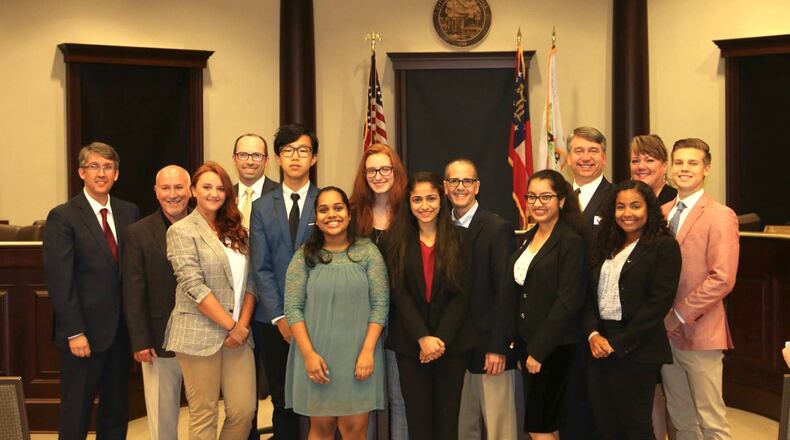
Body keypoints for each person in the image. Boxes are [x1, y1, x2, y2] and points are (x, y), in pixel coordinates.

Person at [43, 141, 140, 440]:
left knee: (116, 413)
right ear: (81, 172)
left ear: (117, 174)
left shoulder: (129, 212)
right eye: (95, 166)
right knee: (76, 414)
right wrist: (74, 332)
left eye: (108, 167)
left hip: (121, 334)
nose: (101, 173)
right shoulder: (64, 216)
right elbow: (61, 281)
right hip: (83, 336)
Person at [284, 187, 389, 439]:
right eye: (324, 209)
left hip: (359, 357)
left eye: (338, 208)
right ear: (317, 219)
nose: (332, 214)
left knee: (355, 430)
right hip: (316, 357)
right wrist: (308, 354)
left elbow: (381, 303)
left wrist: (367, 351)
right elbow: (293, 308)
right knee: (321, 429)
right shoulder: (304, 257)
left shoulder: (367, 252)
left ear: (349, 214)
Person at [164, 162, 257, 440]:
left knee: (243, 412)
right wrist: (231, 326)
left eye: (220, 188)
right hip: (198, 333)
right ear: (193, 191)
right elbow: (193, 285)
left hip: (239, 334)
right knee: (204, 414)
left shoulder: (238, 231)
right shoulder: (181, 231)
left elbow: (252, 284)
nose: (214, 193)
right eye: (206, 187)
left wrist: (241, 326)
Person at [584, 180, 681, 439]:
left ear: (649, 209)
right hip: (598, 346)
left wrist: (617, 343)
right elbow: (588, 296)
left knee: (635, 426)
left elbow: (659, 303)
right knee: (604, 423)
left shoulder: (664, 246)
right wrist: (593, 334)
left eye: (635, 206)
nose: (627, 213)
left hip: (638, 349)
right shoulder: (606, 245)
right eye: (620, 207)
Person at [384, 171, 477, 440]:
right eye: (417, 199)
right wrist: (423, 337)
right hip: (411, 345)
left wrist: (439, 340)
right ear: (408, 203)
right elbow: (398, 294)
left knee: (448, 423)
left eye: (431, 198)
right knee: (418, 423)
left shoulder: (461, 239)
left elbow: (462, 294)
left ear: (442, 198)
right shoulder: (395, 240)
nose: (424, 206)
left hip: (452, 345)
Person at [661, 138, 739, 440]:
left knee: (711, 421)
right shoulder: (663, 212)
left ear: (706, 169)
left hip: (701, 332)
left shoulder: (720, 215)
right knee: (681, 419)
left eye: (692, 163)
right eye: (679, 162)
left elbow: (722, 278)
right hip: (664, 334)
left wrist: (678, 315)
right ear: (670, 168)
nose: (684, 168)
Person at [249, 123, 320, 439]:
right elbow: (260, 267)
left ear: (313, 158)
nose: (295, 157)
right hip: (272, 320)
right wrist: (280, 316)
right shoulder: (262, 207)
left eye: (303, 150)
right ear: (277, 158)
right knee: (282, 399)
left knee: (318, 396)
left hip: (318, 317)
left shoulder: (327, 201)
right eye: (288, 151)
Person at [505, 169, 586, 440]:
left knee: (540, 428)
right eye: (532, 197)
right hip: (530, 346)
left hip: (555, 349)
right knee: (545, 426)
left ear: (561, 200)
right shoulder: (528, 238)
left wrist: (539, 351)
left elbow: (568, 301)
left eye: (546, 196)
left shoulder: (570, 242)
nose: (537, 203)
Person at [443, 158, 518, 440]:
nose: (460, 187)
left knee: (500, 430)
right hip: (456, 350)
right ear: (445, 186)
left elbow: (504, 291)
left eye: (467, 181)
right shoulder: (439, 228)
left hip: (490, 349)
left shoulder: (497, 228)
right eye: (454, 181)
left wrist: (499, 347)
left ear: (477, 187)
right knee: (465, 430)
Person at [122, 165, 191, 440]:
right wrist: (140, 340)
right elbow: (133, 290)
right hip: (158, 340)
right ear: (156, 192)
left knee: (204, 413)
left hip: (205, 338)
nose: (172, 194)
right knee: (163, 419)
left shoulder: (209, 225)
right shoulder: (137, 233)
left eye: (178, 187)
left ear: (190, 191)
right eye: (166, 188)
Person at [349, 143, 409, 440]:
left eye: (385, 169)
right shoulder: (351, 214)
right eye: (371, 170)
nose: (378, 175)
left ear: (396, 172)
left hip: (403, 319)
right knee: (365, 399)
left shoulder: (411, 212)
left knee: (399, 398)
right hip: (362, 320)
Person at [231, 132, 280, 439]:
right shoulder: (219, 196)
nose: (250, 161)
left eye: (257, 156)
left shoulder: (282, 194)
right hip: (232, 310)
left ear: (267, 161)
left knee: (278, 388)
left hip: (274, 308)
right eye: (244, 155)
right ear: (234, 158)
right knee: (240, 395)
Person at [565, 126, 610, 439]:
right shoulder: (557, 197)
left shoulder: (617, 198)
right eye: (579, 151)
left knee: (600, 407)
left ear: (604, 158)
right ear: (568, 158)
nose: (585, 158)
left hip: (600, 320)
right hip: (563, 319)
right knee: (569, 404)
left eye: (593, 151)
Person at [629, 134, 677, 205]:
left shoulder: (676, 201)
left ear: (664, 166)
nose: (641, 166)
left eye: (649, 160)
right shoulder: (620, 199)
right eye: (635, 161)